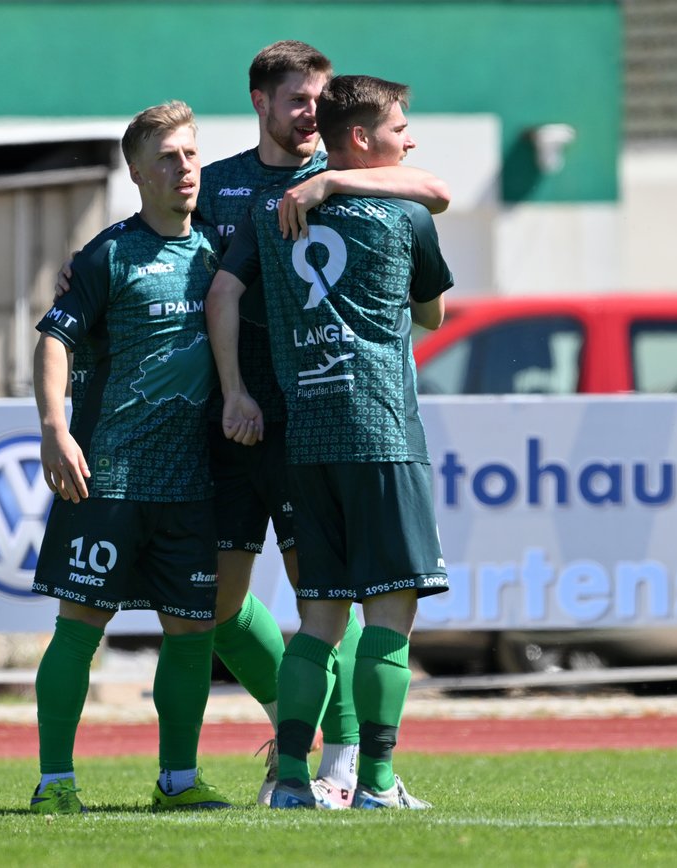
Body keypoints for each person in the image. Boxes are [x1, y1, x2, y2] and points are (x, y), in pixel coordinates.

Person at [54, 40, 450, 810]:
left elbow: (431, 189)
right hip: (229, 428)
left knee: (324, 601)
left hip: (311, 422)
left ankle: (339, 760)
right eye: (298, 99)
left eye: (321, 100)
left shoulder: (349, 173)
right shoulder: (222, 184)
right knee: (221, 606)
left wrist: (331, 178)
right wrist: (90, 262)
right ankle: (295, 744)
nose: (311, 113)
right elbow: (167, 240)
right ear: (260, 102)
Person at [206, 74, 453, 810]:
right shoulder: (405, 215)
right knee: (390, 619)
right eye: (400, 129)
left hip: (306, 439)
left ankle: (290, 781)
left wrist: (235, 389)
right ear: (362, 139)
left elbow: (223, 292)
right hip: (382, 433)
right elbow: (433, 315)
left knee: (317, 621)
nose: (410, 140)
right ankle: (374, 782)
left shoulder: (270, 209)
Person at [29, 100, 237, 815]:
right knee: (79, 628)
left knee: (192, 634)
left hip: (189, 485)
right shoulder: (108, 255)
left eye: (191, 154)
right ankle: (55, 783)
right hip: (109, 479)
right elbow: (54, 339)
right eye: (168, 159)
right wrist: (55, 428)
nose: (185, 169)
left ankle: (177, 781)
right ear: (137, 173)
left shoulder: (218, 248)